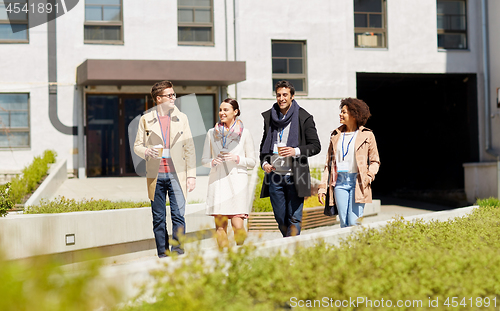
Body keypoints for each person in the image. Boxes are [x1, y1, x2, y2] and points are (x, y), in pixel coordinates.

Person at [134, 80, 196, 257]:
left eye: (174, 94)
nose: (173, 98)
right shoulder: (146, 119)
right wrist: (146, 150)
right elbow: (137, 146)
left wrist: (191, 176)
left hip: (178, 175)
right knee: (158, 218)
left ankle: (178, 251)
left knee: (178, 215)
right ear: (159, 99)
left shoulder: (182, 118)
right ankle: (162, 253)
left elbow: (189, 148)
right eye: (170, 95)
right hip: (155, 175)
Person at [259, 80, 321, 237]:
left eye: (285, 95)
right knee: (280, 218)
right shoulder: (270, 117)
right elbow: (263, 146)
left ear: (292, 96)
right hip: (274, 176)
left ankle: (292, 250)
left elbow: (315, 146)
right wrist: (264, 163)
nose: (281, 98)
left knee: (294, 218)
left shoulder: (304, 117)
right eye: (278, 95)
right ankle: (289, 242)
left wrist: (296, 150)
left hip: (296, 176)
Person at [202, 98, 256, 249]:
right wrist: (212, 162)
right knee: (220, 226)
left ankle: (240, 252)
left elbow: (252, 161)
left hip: (237, 183)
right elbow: (204, 160)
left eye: (226, 110)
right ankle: (225, 259)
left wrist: (237, 158)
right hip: (218, 183)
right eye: (220, 110)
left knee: (238, 224)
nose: (222, 113)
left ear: (235, 112)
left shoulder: (245, 133)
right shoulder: (211, 133)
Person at [318, 98, 380, 228]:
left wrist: (369, 177)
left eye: (344, 112)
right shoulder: (335, 135)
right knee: (344, 223)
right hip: (339, 182)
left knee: (354, 222)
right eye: (341, 112)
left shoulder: (367, 135)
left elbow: (375, 161)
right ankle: (348, 248)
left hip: (358, 182)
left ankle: (360, 247)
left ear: (354, 114)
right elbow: (328, 165)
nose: (340, 114)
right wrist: (322, 187)